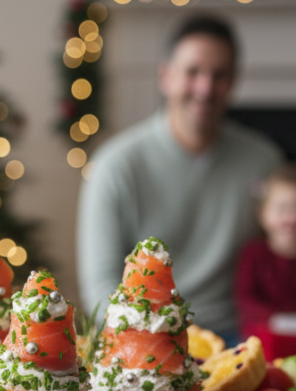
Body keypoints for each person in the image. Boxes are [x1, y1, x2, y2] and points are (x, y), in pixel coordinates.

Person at [76, 14, 282, 344]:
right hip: (148, 340)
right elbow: (100, 290)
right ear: (166, 77)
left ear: (234, 81)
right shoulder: (115, 166)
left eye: (220, 75)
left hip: (239, 335)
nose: (205, 88)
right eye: (193, 72)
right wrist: (156, 342)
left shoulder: (264, 160)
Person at [234, 162, 296, 359]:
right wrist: (272, 318)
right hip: (262, 331)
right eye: (282, 209)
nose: (292, 218)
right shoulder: (253, 252)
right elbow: (245, 298)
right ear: (263, 213)